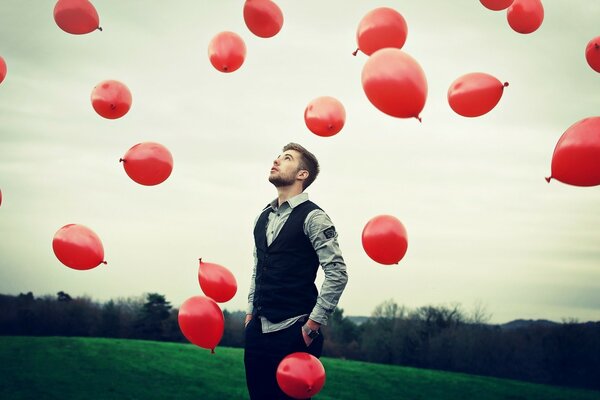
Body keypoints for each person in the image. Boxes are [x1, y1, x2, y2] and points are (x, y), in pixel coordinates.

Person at [244, 143, 349, 400]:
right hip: (257, 333)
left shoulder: (314, 218)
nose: (277, 160)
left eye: (287, 158)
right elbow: (259, 268)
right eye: (278, 156)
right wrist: (249, 315)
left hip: (294, 332)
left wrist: (311, 326)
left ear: (302, 175)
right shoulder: (262, 217)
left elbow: (337, 273)